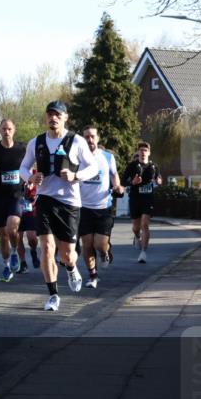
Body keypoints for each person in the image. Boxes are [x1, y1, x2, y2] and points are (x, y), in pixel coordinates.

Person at [18, 101, 99, 311]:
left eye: (57, 115)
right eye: (50, 114)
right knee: (46, 246)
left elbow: (93, 167)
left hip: (69, 203)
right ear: (46, 118)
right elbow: (23, 168)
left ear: (65, 118)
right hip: (45, 199)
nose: (53, 118)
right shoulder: (36, 142)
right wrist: (31, 177)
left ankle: (71, 268)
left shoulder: (76, 141)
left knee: (67, 254)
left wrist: (75, 175)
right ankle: (53, 294)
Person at [0, 119, 27, 282]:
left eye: (9, 128)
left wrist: (31, 177)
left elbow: (31, 166)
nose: (6, 131)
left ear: (14, 130)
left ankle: (15, 251)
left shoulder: (22, 148)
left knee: (12, 228)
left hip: (16, 196)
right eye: (4, 129)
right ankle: (7, 266)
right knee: (2, 235)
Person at [78, 125, 122, 287]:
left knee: (99, 245)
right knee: (87, 244)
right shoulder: (78, 158)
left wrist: (117, 186)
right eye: (86, 137)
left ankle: (105, 252)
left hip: (104, 207)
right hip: (84, 208)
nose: (89, 140)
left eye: (92, 136)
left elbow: (114, 175)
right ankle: (93, 276)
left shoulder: (107, 157)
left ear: (97, 138)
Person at [122, 141, 161, 263]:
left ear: (149, 153)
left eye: (145, 150)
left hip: (148, 198)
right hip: (135, 198)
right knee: (136, 227)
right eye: (141, 150)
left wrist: (159, 180)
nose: (143, 152)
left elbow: (158, 178)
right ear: (138, 152)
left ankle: (143, 252)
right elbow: (123, 181)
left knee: (145, 225)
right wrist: (132, 182)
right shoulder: (131, 166)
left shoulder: (154, 166)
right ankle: (137, 236)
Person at [16, 177, 40, 273]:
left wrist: (30, 190)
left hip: (30, 212)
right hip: (17, 211)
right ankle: (23, 263)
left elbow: (36, 194)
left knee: (32, 238)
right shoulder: (15, 175)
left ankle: (33, 251)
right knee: (18, 238)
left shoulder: (34, 175)